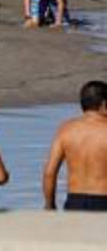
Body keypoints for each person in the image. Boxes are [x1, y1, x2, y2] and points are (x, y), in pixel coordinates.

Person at [44, 81, 107, 211]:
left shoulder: (66, 129)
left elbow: (49, 173)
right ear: (104, 105)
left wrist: (49, 204)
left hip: (75, 201)